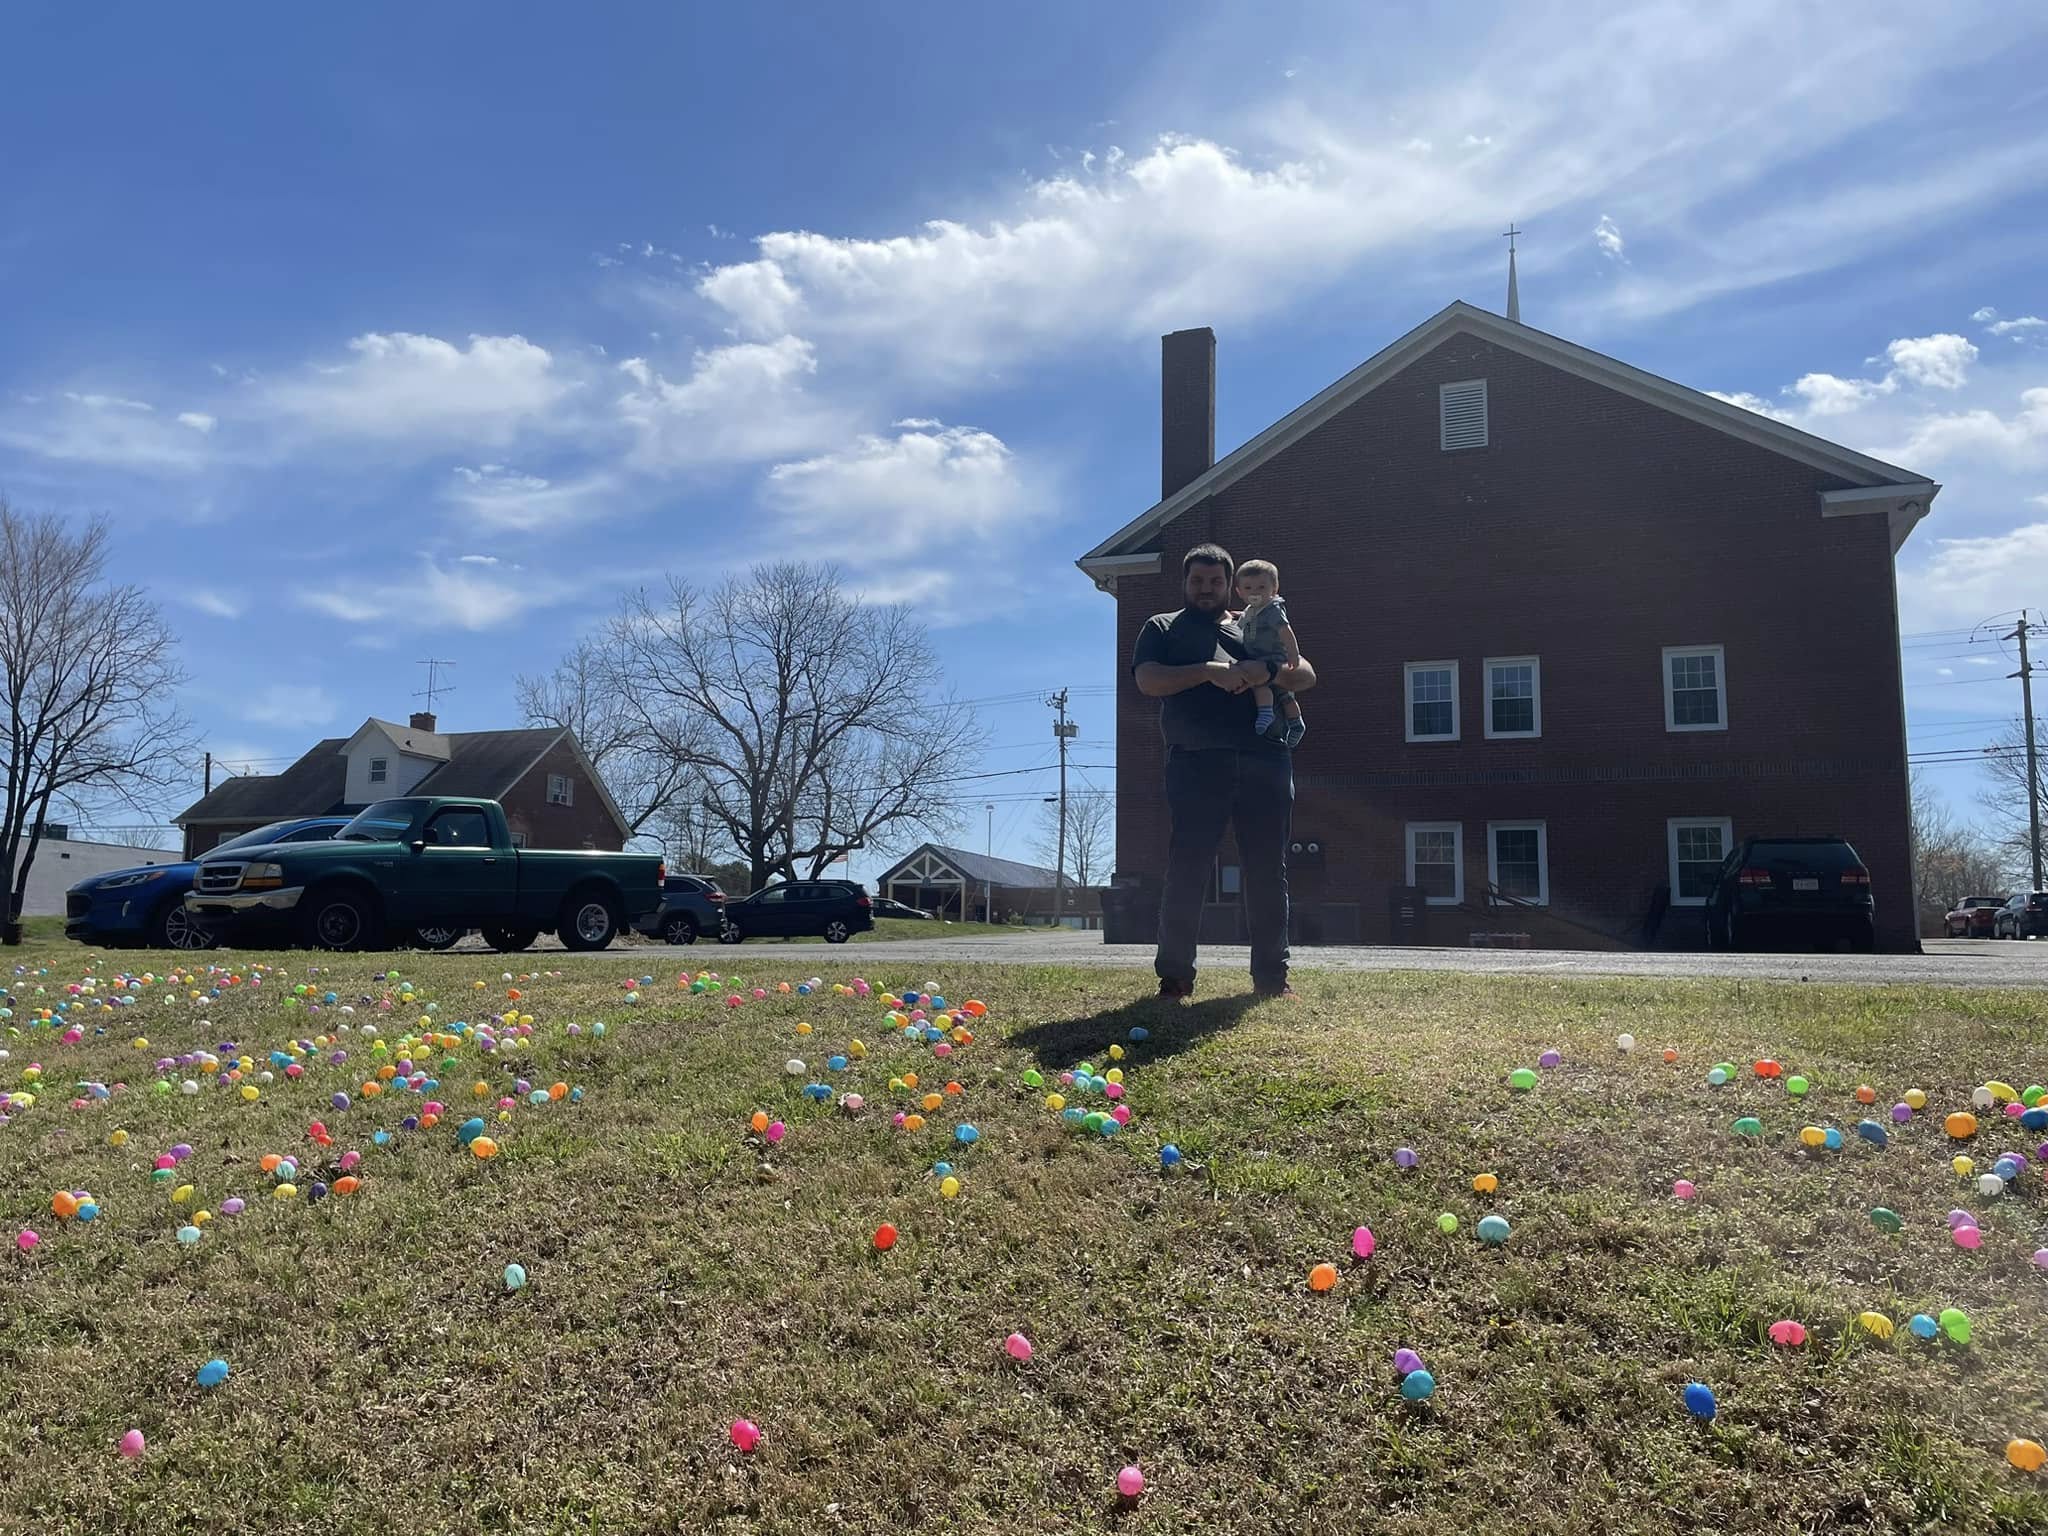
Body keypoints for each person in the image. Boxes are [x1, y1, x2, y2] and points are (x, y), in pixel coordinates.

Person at [1131, 542, 1317, 1001]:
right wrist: (1208, 671)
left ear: (1230, 585)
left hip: (1265, 760)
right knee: (1188, 868)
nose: (1205, 588)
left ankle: (1272, 978)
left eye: (1215, 581)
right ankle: (1175, 979)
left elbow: (1305, 674)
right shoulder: (1163, 627)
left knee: (1267, 870)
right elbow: (1148, 679)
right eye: (1197, 580)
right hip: (1195, 762)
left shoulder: (1255, 620)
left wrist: (1265, 672)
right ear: (1184, 582)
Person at [1232, 558, 1305, 747]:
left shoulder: (1272, 609)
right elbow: (1242, 625)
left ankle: (1266, 712)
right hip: (1259, 657)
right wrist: (1236, 616)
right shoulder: (1250, 611)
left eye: (1261, 587)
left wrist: (1293, 653)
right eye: (1248, 588)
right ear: (1239, 592)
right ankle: (1296, 722)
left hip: (1272, 657)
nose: (1255, 592)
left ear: (1274, 588)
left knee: (1261, 684)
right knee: (1284, 695)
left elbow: (1285, 631)